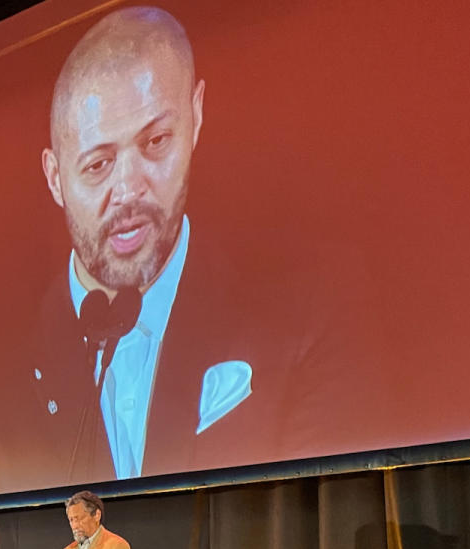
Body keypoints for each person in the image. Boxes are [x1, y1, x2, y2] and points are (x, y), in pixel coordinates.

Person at [33, 5, 290, 484]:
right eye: (97, 165)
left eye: (155, 142)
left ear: (195, 115)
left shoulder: (296, 315)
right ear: (54, 177)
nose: (129, 190)